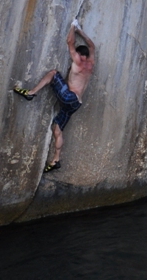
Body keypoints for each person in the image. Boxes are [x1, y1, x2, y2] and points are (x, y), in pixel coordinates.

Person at [14, 20, 96, 173]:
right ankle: (55, 160)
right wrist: (81, 32)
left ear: (79, 54)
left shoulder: (77, 61)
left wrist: (73, 26)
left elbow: (69, 41)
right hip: (75, 104)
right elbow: (92, 46)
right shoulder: (90, 64)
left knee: (53, 74)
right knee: (57, 129)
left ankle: (31, 93)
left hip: (68, 96)